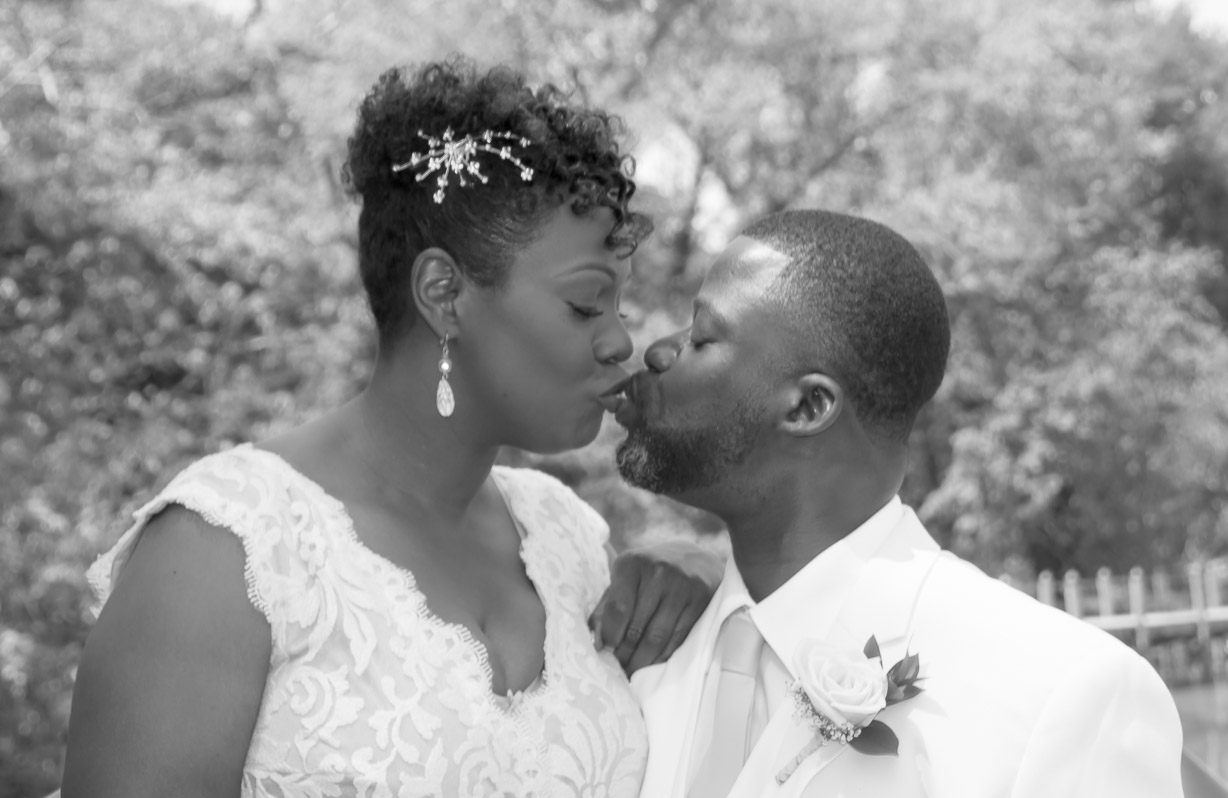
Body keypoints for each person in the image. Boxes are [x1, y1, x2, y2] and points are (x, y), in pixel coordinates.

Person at [59, 57, 720, 798]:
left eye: (618, 307)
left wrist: (701, 574)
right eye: (586, 305)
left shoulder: (569, 539)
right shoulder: (226, 551)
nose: (620, 341)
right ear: (445, 293)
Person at [616, 209, 1185, 797]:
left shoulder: (1064, 695)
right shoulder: (636, 647)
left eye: (701, 337)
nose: (657, 351)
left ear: (808, 407)